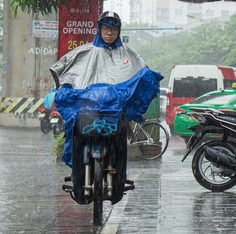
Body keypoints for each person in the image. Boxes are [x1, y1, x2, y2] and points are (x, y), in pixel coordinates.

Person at [50, 11, 161, 204]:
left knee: (120, 144)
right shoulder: (84, 52)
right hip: (88, 113)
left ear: (118, 31)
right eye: (106, 28)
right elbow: (63, 72)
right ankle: (79, 173)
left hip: (115, 114)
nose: (109, 33)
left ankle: (117, 177)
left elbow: (142, 74)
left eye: (113, 29)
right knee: (75, 134)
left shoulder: (129, 54)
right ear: (99, 29)